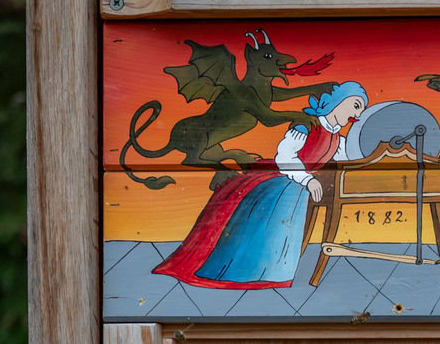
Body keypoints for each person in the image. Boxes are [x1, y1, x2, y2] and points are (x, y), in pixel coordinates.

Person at [154, 82, 368, 288]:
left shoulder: (337, 138)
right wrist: (307, 179)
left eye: (361, 111)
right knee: (278, 206)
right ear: (340, 100)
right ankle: (247, 270)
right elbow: (285, 156)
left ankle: (274, 273)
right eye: (356, 105)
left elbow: (346, 160)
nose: (357, 115)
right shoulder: (306, 124)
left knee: (293, 204)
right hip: (277, 179)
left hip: (298, 186)